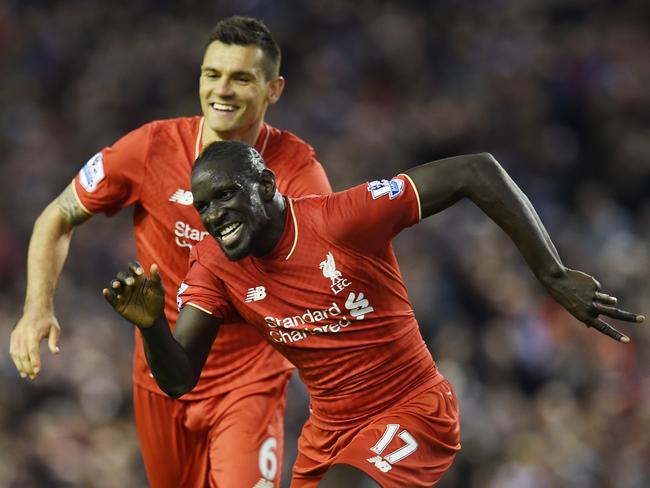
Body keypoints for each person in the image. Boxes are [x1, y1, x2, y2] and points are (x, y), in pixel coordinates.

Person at [103, 140, 644, 487]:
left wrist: (552, 274)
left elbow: (475, 171)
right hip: (328, 435)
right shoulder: (215, 265)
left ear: (266, 185)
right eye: (204, 207)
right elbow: (179, 379)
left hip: (412, 408)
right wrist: (152, 325)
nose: (215, 215)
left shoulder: (343, 219)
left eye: (225, 196)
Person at [10, 17, 332, 488]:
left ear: (273, 89)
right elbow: (56, 216)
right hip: (160, 376)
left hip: (250, 381)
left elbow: (324, 269)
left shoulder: (296, 170)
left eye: (242, 78)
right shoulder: (152, 148)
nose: (222, 89)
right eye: (212, 74)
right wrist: (36, 308)